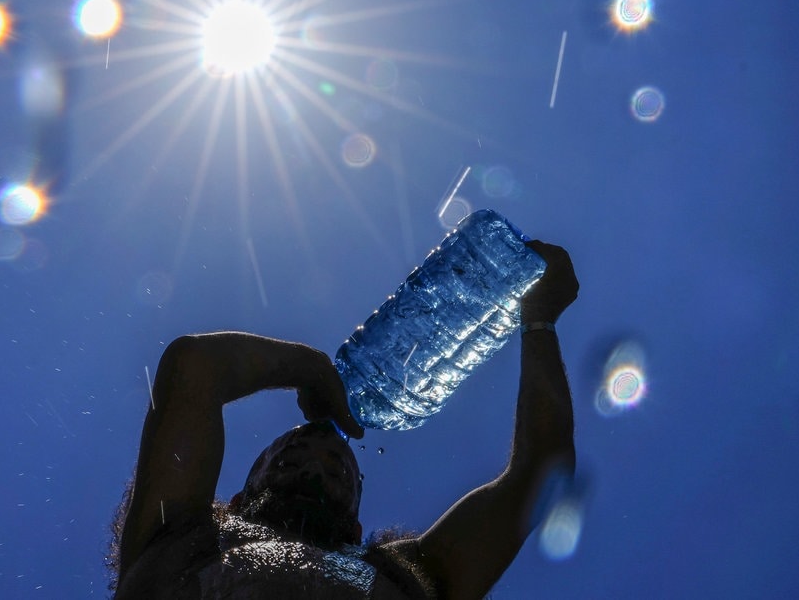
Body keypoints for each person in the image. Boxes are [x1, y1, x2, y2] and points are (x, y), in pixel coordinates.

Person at [108, 240, 579, 599]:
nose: (314, 466)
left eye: (336, 471)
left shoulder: (411, 573)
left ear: (356, 529)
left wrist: (539, 319)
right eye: (290, 459)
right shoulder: (176, 530)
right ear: (235, 499)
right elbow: (193, 367)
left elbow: (540, 471)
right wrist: (310, 369)